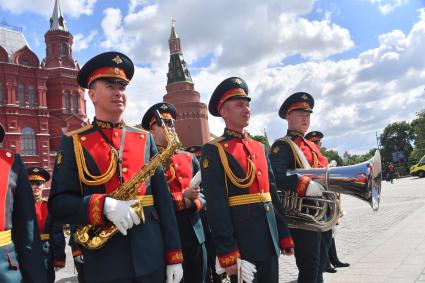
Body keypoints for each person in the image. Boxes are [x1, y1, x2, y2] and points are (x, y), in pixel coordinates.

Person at [48, 51, 183, 283]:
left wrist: (174, 255)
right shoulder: (73, 142)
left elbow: (163, 202)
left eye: (122, 87)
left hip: (151, 256)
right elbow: (59, 204)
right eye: (111, 86)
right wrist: (104, 206)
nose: (119, 92)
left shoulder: (144, 138)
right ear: (91, 94)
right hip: (105, 263)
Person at [201, 77, 294, 283]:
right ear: (224, 112)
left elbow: (271, 193)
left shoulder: (258, 147)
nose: (246, 109)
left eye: (248, 104)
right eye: (239, 105)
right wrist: (227, 251)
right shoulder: (214, 150)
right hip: (242, 242)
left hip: (269, 238)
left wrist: (284, 233)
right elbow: (216, 205)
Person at [268, 92, 332, 283]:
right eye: (300, 113)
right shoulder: (283, 145)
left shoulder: (311, 146)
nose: (305, 118)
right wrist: (303, 184)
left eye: (308, 114)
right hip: (302, 216)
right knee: (309, 267)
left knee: (320, 264)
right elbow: (276, 174)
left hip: (320, 214)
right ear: (288, 116)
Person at [142, 102, 207, 283]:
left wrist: (194, 201)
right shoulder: (146, 161)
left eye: (171, 123)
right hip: (165, 239)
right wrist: (182, 199)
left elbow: (205, 193)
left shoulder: (188, 157)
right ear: (152, 130)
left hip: (195, 233)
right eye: (163, 123)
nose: (169, 127)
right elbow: (149, 201)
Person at [0, 123, 48, 283]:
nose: (36, 186)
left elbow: (27, 231)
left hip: (3, 267)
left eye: (39, 184)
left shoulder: (11, 163)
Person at [304, 131, 350, 273]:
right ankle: (325, 263)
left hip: (326, 198)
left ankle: (333, 259)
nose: (317, 145)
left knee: (329, 231)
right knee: (323, 232)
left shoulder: (322, 158)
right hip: (315, 200)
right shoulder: (308, 158)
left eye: (318, 143)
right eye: (315, 143)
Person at [186, 145, 224, 283]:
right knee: (204, 265)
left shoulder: (209, 171)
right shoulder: (189, 171)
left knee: (215, 260)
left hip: (210, 222)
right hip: (198, 221)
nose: (198, 159)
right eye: (196, 158)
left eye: (199, 157)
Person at [27, 166, 66, 283]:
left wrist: (59, 258)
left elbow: (58, 233)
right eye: (31, 183)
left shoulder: (50, 207)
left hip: (45, 253)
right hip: (25, 252)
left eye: (38, 183)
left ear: (43, 185)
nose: (35, 186)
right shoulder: (19, 207)